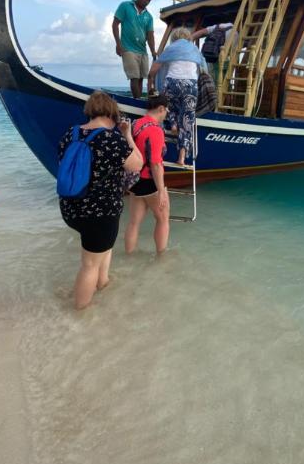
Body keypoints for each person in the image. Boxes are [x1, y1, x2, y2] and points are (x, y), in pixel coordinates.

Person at [58, 91, 142, 310]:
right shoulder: (111, 138)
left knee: (101, 249)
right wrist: (128, 135)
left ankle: (103, 283)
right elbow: (137, 164)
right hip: (100, 213)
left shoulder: (71, 133)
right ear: (112, 113)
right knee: (89, 265)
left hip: (71, 207)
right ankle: (81, 313)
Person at [147, 27, 207, 165]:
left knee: (169, 106)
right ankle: (181, 157)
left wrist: (150, 84)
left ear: (174, 38)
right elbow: (204, 70)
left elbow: (153, 71)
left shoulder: (170, 48)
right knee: (187, 120)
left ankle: (173, 124)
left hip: (172, 82)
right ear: (188, 37)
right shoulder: (194, 50)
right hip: (190, 85)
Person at [124, 94, 170, 255]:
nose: (166, 114)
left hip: (134, 181)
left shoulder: (135, 124)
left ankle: (128, 256)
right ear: (161, 109)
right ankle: (161, 258)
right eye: (166, 111)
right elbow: (156, 164)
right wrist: (162, 191)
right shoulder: (155, 130)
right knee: (163, 220)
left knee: (134, 223)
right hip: (150, 182)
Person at [112, 0, 157, 98]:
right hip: (127, 48)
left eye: (149, 0)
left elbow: (150, 36)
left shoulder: (149, 16)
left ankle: (137, 101)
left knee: (141, 78)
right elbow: (115, 24)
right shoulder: (125, 6)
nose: (147, 1)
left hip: (142, 50)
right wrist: (118, 44)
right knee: (134, 77)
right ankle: (137, 101)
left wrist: (153, 51)